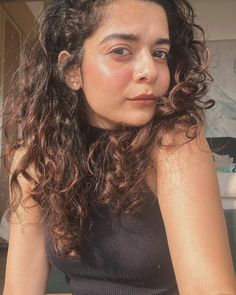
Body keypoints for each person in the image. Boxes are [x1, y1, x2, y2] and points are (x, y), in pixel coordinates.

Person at [2, 0, 236, 294]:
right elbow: (19, 287)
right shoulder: (37, 157)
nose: (150, 70)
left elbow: (208, 289)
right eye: (121, 51)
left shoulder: (175, 144)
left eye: (159, 53)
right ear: (73, 71)